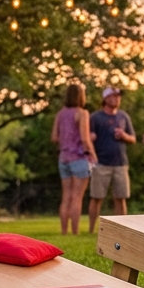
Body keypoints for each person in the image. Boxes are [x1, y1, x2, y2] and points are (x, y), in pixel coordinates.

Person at [87, 86, 136, 232]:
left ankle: (121, 229)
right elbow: (87, 138)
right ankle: (91, 229)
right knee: (97, 197)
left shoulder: (123, 116)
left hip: (120, 163)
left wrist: (124, 136)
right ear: (106, 98)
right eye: (113, 96)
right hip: (101, 163)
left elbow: (133, 138)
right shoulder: (95, 117)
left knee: (120, 197)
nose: (117, 99)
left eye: (118, 96)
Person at [52, 82, 97, 235]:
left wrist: (67, 140)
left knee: (66, 196)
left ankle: (64, 231)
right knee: (77, 197)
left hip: (63, 158)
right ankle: (75, 232)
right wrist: (93, 155)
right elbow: (85, 139)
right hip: (78, 158)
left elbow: (54, 137)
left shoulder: (61, 114)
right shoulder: (82, 113)